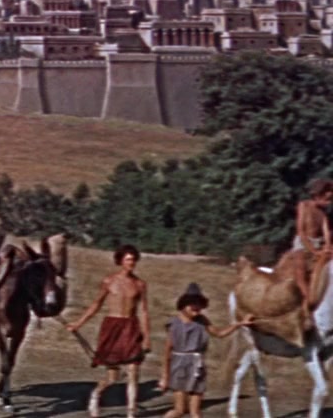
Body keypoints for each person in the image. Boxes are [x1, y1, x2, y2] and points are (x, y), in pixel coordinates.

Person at [66, 245, 151, 418]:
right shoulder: (109, 281)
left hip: (131, 327)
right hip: (113, 327)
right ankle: (96, 395)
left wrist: (147, 336)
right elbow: (96, 304)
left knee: (133, 371)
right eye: (128, 259)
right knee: (113, 376)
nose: (131, 263)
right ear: (120, 261)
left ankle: (131, 412)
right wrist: (78, 323)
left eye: (133, 260)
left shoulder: (140, 284)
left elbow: (143, 311)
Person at [157, 283, 253, 418]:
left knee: (195, 412)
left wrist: (240, 324)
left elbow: (219, 333)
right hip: (179, 367)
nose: (196, 307)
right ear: (183, 305)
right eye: (192, 304)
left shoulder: (202, 321)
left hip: (197, 365)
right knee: (179, 410)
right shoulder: (175, 324)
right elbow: (167, 352)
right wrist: (165, 377)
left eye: (198, 304)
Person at [275, 178, 333, 311]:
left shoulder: (323, 214)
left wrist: (327, 246)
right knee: (300, 269)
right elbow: (301, 231)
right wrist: (313, 250)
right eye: (327, 198)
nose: (329, 202)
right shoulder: (304, 206)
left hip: (319, 242)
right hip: (303, 242)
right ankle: (308, 299)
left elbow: (325, 232)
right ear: (318, 195)